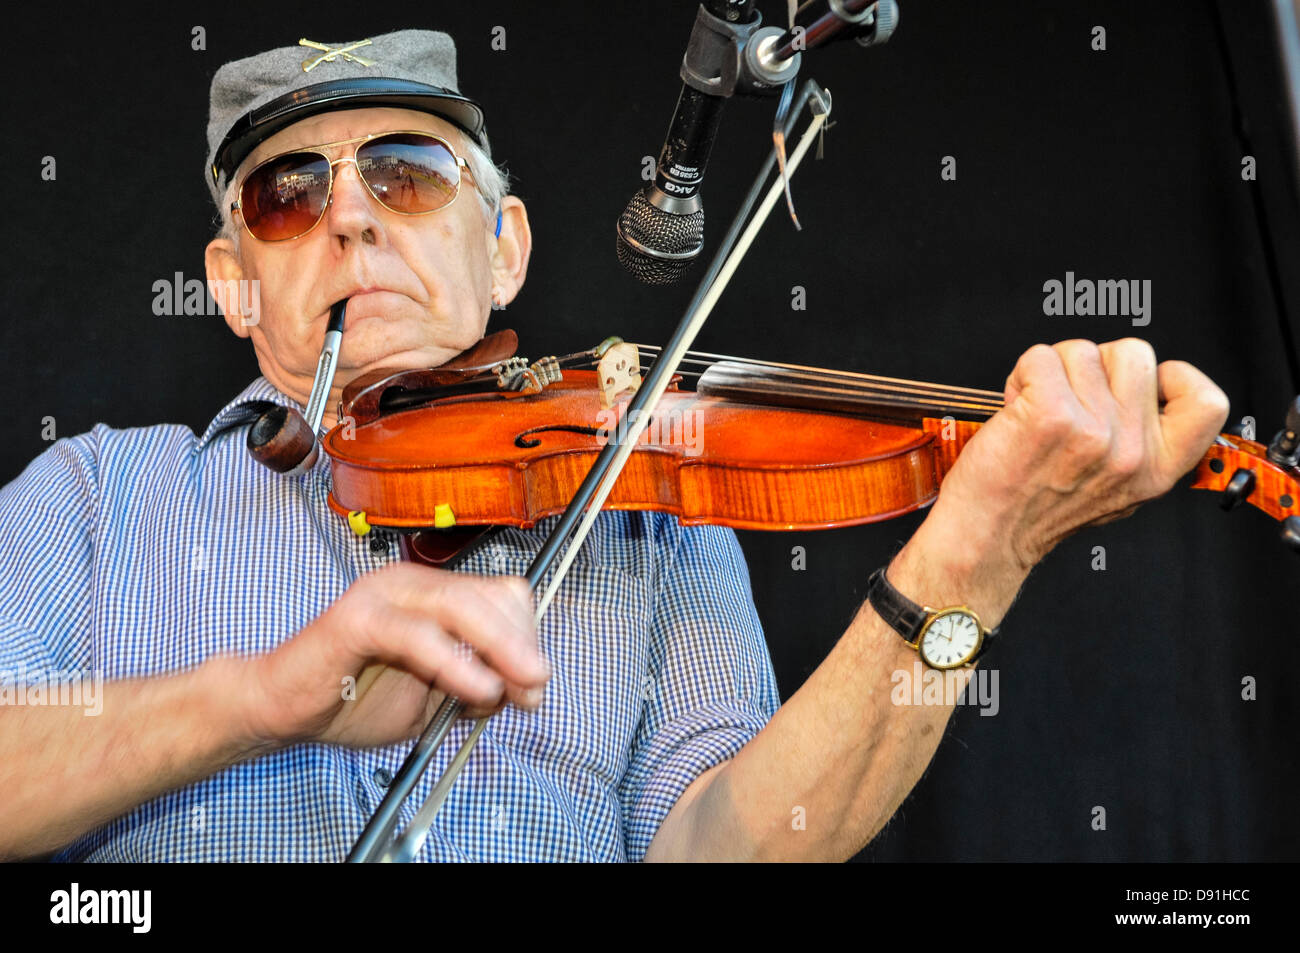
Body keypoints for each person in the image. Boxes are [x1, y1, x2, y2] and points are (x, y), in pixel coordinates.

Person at [0, 29, 1229, 862]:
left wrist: (975, 556)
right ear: (232, 283)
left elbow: (733, 847)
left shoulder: (638, 504)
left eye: (409, 173)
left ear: (508, 247)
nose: (354, 216)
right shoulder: (97, 495)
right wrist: (267, 695)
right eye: (287, 194)